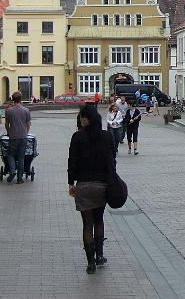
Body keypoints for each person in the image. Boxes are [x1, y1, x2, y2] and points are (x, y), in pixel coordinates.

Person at [68, 104, 116, 274]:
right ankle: (100, 255)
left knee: (87, 224)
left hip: (83, 186)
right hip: (102, 186)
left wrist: (70, 183)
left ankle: (90, 263)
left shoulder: (77, 137)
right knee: (99, 220)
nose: (80, 120)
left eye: (81, 117)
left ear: (86, 119)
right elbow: (112, 160)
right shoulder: (107, 137)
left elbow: (72, 161)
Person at [4, 91, 31, 184]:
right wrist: (26, 133)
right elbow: (28, 124)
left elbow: (6, 124)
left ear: (12, 99)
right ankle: (20, 178)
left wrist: (8, 132)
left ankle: (12, 171)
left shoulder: (9, 111)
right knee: (21, 157)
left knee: (11, 155)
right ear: (21, 99)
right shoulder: (26, 110)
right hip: (23, 137)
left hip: (13, 136)